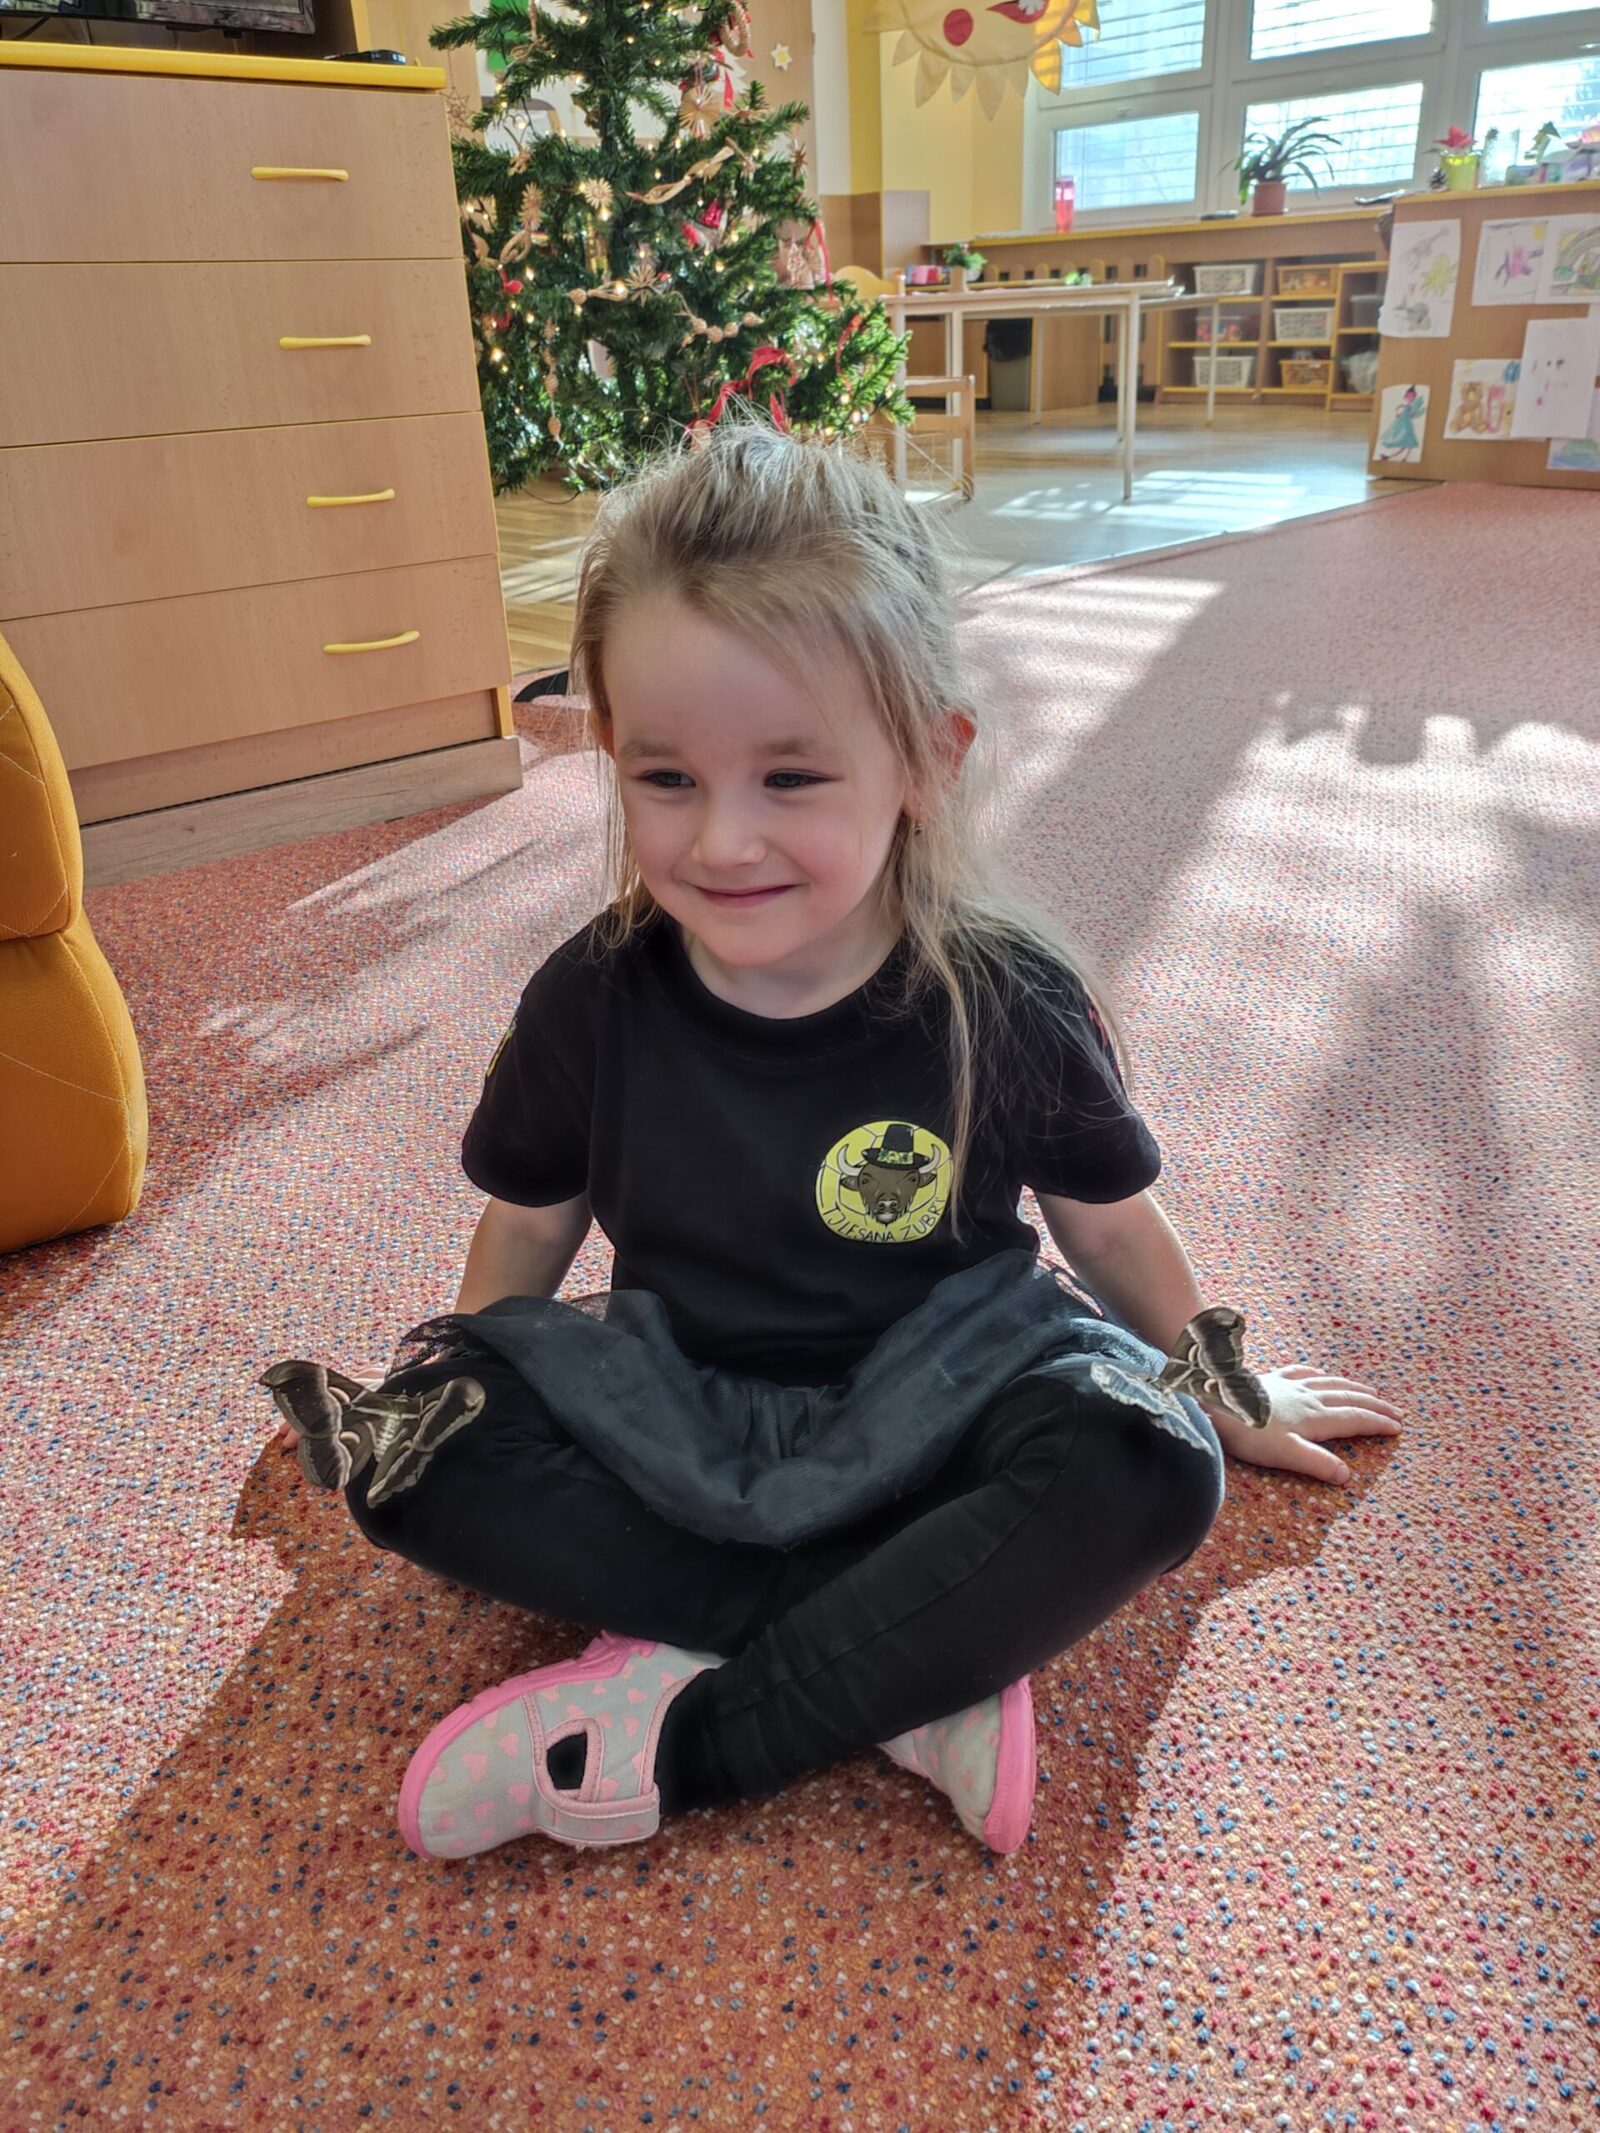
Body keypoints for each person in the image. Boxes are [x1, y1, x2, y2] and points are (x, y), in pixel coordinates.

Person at [260, 424, 1403, 1861]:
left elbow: (1109, 1229)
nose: (721, 842)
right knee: (406, 1449)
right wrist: (484, 1393)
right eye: (667, 779)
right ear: (612, 754)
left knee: (1154, 1457)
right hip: (680, 1398)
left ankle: (691, 1739)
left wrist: (1228, 1385)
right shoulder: (590, 996)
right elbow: (532, 1227)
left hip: (951, 1394)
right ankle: (915, 1657)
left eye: (790, 779)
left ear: (928, 759)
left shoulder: (1006, 998)